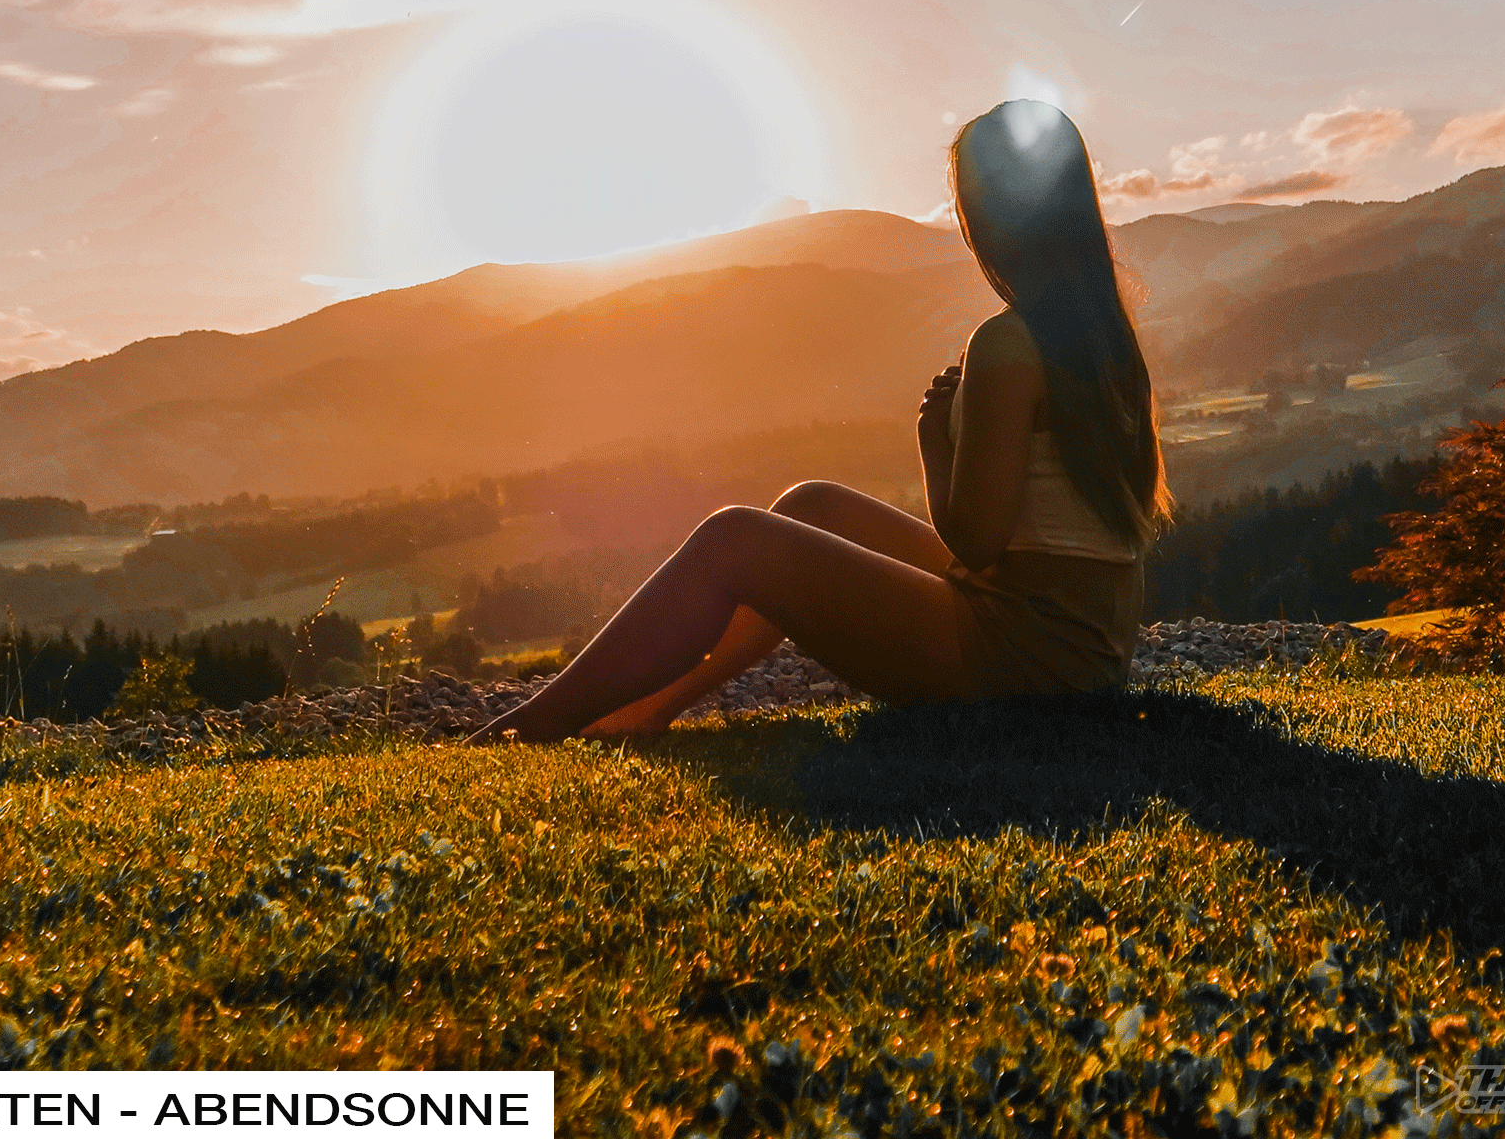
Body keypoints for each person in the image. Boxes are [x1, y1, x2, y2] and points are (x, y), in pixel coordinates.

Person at [464, 100, 1171, 745]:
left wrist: (933, 442)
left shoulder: (1008, 343)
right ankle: (646, 709)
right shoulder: (1103, 337)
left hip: (1026, 665)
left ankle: (530, 727)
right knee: (811, 506)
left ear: (987, 218)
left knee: (732, 538)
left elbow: (978, 543)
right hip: (1082, 649)